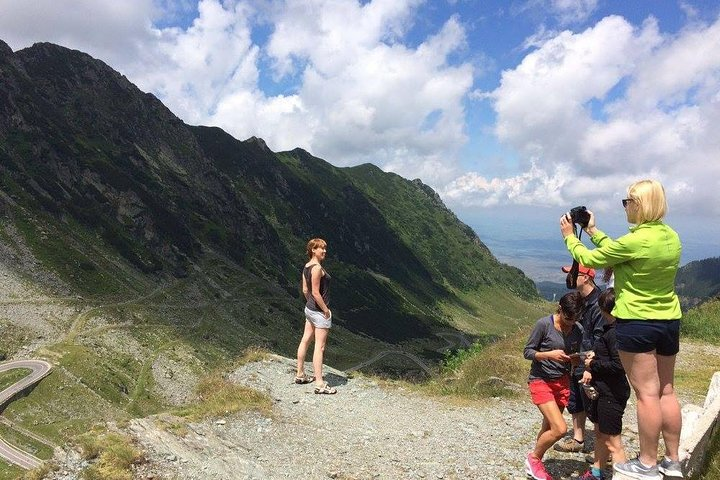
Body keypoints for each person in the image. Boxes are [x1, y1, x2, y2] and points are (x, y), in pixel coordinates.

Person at [560, 179, 684, 479]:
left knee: (647, 394)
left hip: (638, 322)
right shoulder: (671, 237)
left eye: (627, 202)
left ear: (639, 205)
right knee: (666, 390)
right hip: (668, 319)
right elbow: (618, 251)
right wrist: (591, 231)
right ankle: (672, 460)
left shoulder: (636, 240)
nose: (625, 207)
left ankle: (647, 463)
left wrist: (569, 237)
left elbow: (588, 259)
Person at [524, 292, 585, 480]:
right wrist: (549, 354)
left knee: (548, 426)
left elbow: (576, 355)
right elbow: (528, 352)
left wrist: (577, 361)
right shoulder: (544, 324)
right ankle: (533, 459)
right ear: (560, 308)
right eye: (568, 318)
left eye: (575, 319)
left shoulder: (578, 329)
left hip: (562, 381)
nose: (570, 323)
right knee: (559, 428)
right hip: (540, 379)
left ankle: (536, 464)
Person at [575, 288, 630, 480]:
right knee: (600, 434)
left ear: (606, 309)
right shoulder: (612, 330)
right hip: (604, 391)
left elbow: (619, 366)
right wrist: (595, 357)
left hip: (612, 395)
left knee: (613, 442)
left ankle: (623, 476)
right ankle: (596, 473)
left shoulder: (614, 333)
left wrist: (593, 363)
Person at [554, 264, 605, 454]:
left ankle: (603, 449)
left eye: (573, 274)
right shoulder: (579, 301)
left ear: (585, 277)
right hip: (575, 359)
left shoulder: (598, 304)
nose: (570, 278)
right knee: (575, 398)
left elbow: (600, 337)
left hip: (589, 361)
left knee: (595, 405)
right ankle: (578, 438)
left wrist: (589, 365)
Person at [295, 238, 336, 394]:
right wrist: (325, 310)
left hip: (309, 309)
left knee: (305, 340)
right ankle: (319, 384)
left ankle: (300, 374)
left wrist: (310, 304)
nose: (324, 251)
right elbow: (316, 292)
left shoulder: (307, 266)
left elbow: (305, 290)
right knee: (320, 347)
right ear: (313, 250)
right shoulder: (317, 268)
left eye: (325, 248)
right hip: (319, 312)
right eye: (321, 248)